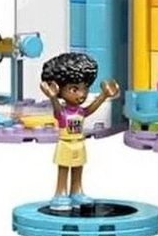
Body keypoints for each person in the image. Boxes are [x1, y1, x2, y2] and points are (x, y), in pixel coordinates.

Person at [39, 52, 119, 210]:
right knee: (63, 168)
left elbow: (89, 109)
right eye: (74, 89)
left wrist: (103, 96)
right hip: (65, 143)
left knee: (78, 168)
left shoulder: (80, 111)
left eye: (85, 88)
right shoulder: (62, 113)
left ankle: (76, 191)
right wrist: (52, 97)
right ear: (60, 89)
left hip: (79, 143)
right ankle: (60, 193)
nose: (82, 94)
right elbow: (57, 110)